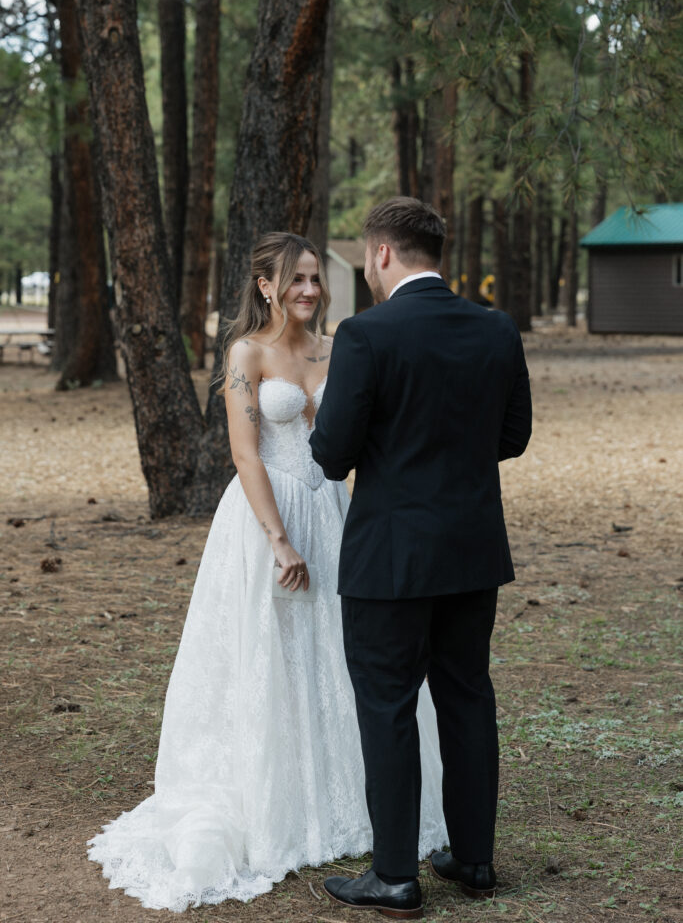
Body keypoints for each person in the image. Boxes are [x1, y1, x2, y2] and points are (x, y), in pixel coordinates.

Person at [87, 232, 447, 913]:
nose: (309, 290)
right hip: (267, 516)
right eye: (295, 279)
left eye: (314, 278)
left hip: (334, 512)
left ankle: (356, 802)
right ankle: (273, 798)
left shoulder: (340, 348)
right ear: (265, 287)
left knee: (345, 652)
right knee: (269, 653)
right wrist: (279, 541)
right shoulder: (245, 354)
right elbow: (246, 453)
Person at [310, 197, 532, 919]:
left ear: (381, 253)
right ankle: (473, 859)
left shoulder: (365, 334)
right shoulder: (495, 328)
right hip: (471, 550)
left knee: (387, 706)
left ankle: (395, 876)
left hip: (390, 556)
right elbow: (513, 436)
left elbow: (332, 454)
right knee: (467, 696)